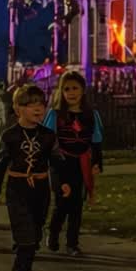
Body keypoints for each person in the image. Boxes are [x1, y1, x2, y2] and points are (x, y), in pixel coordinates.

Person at [0, 85, 71, 271]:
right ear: (18, 109)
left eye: (41, 104)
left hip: (40, 189)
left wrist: (62, 182)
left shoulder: (48, 136)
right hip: (17, 189)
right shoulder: (10, 136)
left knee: (34, 232)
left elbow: (57, 161)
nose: (38, 108)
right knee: (25, 232)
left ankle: (20, 264)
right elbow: (0, 164)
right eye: (30, 104)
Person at [43, 71, 103, 255]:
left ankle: (72, 243)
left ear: (83, 90)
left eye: (75, 88)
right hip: (60, 163)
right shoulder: (55, 114)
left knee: (77, 205)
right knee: (62, 202)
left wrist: (97, 163)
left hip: (81, 164)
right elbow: (47, 141)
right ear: (61, 91)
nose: (71, 92)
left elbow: (97, 141)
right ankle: (53, 233)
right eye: (66, 89)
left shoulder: (91, 115)